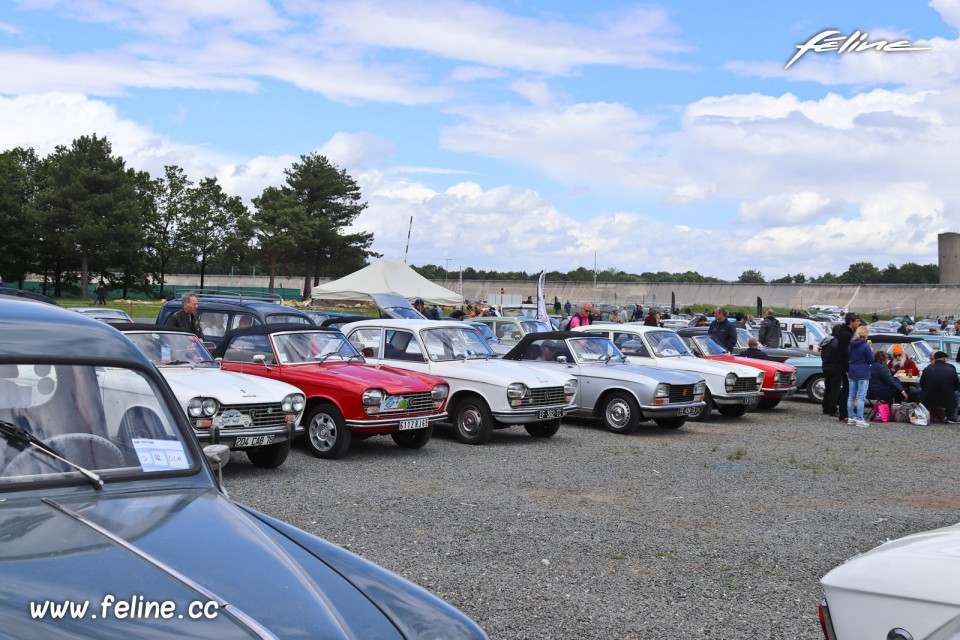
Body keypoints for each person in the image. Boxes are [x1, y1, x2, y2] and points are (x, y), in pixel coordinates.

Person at [919, 351, 960, 423]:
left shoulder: (927, 369)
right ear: (944, 359)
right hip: (947, 400)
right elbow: (956, 386)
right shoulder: (951, 370)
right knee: (955, 394)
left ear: (935, 359)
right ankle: (951, 417)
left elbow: (921, 384)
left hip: (929, 399)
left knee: (920, 391)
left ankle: (923, 414)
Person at [835, 312, 860, 422]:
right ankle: (843, 414)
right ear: (851, 322)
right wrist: (847, 368)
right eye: (857, 321)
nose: (859, 323)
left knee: (848, 390)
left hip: (847, 365)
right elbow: (844, 353)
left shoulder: (849, 333)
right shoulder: (846, 334)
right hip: (845, 366)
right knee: (846, 390)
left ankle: (845, 413)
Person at [846, 325, 873, 427]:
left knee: (851, 396)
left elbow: (848, 356)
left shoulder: (851, 344)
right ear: (865, 335)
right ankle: (860, 419)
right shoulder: (865, 346)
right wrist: (871, 350)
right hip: (863, 373)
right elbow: (871, 360)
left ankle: (851, 418)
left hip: (852, 371)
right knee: (861, 397)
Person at [821, 324, 844, 416]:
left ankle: (825, 407)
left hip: (826, 366)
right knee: (835, 389)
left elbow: (823, 355)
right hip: (836, 367)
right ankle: (832, 409)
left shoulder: (827, 341)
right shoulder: (838, 342)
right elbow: (840, 356)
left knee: (828, 388)